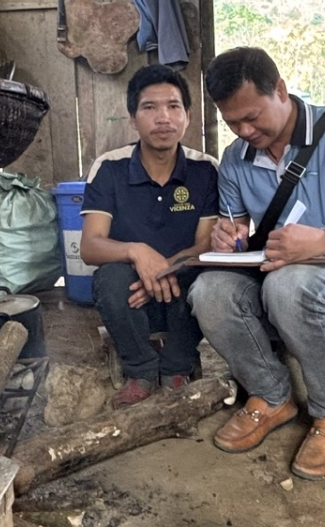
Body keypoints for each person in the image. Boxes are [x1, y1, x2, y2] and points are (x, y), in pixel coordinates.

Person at [188, 47, 325, 480]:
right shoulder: (236, 159)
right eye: (232, 123)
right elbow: (237, 229)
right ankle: (270, 396)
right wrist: (228, 239)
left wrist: (321, 241)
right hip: (277, 287)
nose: (245, 131)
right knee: (208, 290)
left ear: (280, 90)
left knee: (290, 284)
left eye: (252, 117)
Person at [80, 65, 219, 409]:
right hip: (131, 297)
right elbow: (90, 245)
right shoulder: (110, 167)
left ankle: (177, 368)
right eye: (150, 107)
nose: (163, 118)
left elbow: (206, 245)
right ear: (132, 118)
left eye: (173, 106)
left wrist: (162, 268)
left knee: (206, 275)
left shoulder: (205, 170)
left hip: (181, 291)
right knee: (110, 278)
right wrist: (136, 251)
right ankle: (140, 370)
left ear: (187, 116)